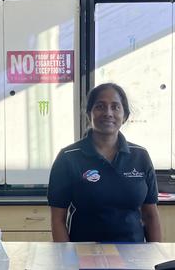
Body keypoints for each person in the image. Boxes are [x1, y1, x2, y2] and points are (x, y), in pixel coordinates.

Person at [47, 83, 162, 242]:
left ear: (125, 115)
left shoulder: (140, 156)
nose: (108, 113)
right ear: (89, 113)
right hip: (84, 255)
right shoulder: (68, 157)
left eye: (115, 107)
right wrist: (66, 260)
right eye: (100, 106)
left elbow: (150, 215)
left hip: (134, 256)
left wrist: (155, 257)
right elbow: (57, 219)